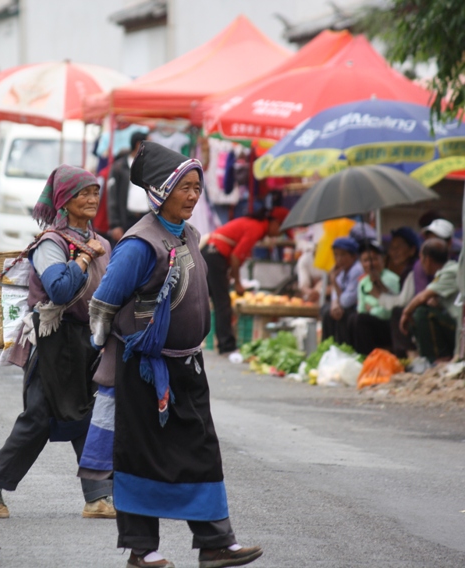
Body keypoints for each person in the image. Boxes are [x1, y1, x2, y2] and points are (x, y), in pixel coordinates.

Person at [88, 141, 262, 568]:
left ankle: (216, 542)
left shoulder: (188, 235)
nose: (192, 195)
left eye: (196, 187)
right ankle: (142, 550)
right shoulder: (140, 244)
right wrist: (110, 350)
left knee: (201, 449)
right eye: (184, 187)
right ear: (160, 191)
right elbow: (104, 303)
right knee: (142, 455)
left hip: (188, 367)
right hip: (147, 371)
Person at [0, 165, 116, 521]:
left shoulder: (103, 242)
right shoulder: (51, 244)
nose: (92, 199)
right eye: (83, 193)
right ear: (65, 200)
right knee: (39, 416)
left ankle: (97, 497)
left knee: (85, 413)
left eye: (95, 192)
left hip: (87, 341)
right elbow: (61, 290)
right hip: (54, 341)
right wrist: (84, 257)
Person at [201, 206, 290, 354]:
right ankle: (226, 345)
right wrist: (238, 283)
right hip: (215, 254)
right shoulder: (257, 227)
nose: (279, 234)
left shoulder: (255, 225)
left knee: (206, 298)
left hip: (213, 254)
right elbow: (236, 256)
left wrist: (230, 273)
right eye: (281, 229)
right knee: (222, 302)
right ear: (274, 222)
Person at [400, 238, 459, 362]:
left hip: (460, 328)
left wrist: (406, 313)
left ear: (427, 260)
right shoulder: (447, 272)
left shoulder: (450, 272)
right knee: (423, 310)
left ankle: (437, 358)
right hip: (456, 325)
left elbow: (422, 297)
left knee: (423, 313)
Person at [350, 240, 400, 356]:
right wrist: (373, 308)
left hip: (388, 326)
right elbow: (361, 309)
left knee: (361, 320)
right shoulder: (363, 282)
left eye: (374, 259)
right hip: (370, 323)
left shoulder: (391, 279)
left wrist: (372, 309)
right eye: (365, 260)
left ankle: (368, 356)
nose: (370, 264)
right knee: (353, 318)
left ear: (382, 259)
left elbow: (387, 311)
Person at [108, 131, 150, 242]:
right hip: (126, 220)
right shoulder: (119, 167)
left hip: (146, 219)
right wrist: (115, 224)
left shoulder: (150, 166)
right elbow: (112, 196)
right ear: (139, 144)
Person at [321, 237, 363, 346]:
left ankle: (343, 348)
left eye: (343, 255)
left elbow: (346, 301)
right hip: (345, 305)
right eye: (336, 255)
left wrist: (333, 281)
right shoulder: (343, 270)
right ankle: (328, 347)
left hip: (356, 309)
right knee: (326, 310)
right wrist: (335, 304)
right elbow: (336, 295)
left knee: (343, 315)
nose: (338, 259)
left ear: (353, 256)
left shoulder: (357, 270)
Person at [411, 218, 454, 294]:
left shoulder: (456, 263)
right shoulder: (422, 264)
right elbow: (422, 296)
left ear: (449, 243)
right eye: (429, 239)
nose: (431, 244)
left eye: (437, 240)